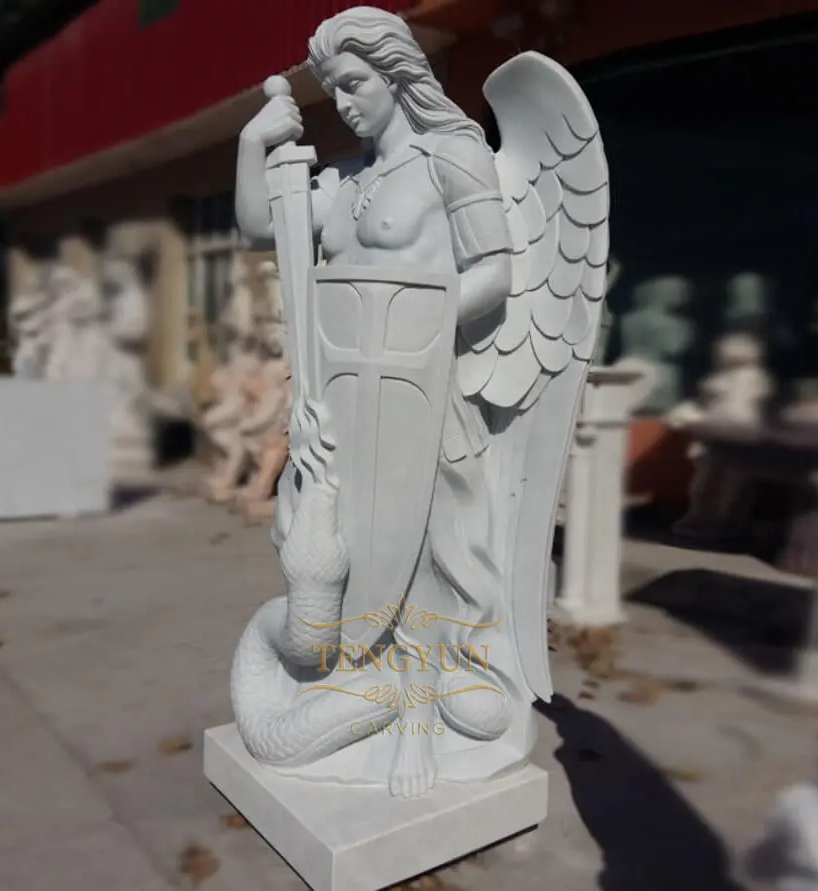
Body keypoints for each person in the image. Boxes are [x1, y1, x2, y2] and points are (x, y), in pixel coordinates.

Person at [234, 7, 517, 797]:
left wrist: (414, 330)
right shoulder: (344, 182)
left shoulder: (453, 157)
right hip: (342, 407)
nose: (345, 103)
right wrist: (254, 144)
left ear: (396, 75)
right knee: (344, 554)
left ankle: (416, 728)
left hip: (421, 402)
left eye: (355, 83)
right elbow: (261, 228)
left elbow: (494, 273)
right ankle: (355, 686)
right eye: (333, 89)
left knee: (419, 558)